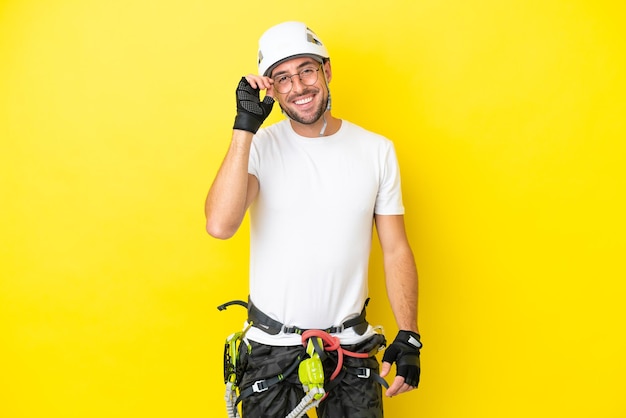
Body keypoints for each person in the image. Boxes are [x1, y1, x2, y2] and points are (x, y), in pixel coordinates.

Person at [205, 21, 421, 418]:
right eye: (282, 78)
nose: (299, 87)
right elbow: (220, 225)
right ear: (270, 87)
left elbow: (395, 248)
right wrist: (244, 126)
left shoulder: (376, 150)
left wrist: (409, 333)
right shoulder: (257, 148)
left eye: (306, 70)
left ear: (327, 71)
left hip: (351, 350)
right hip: (271, 352)